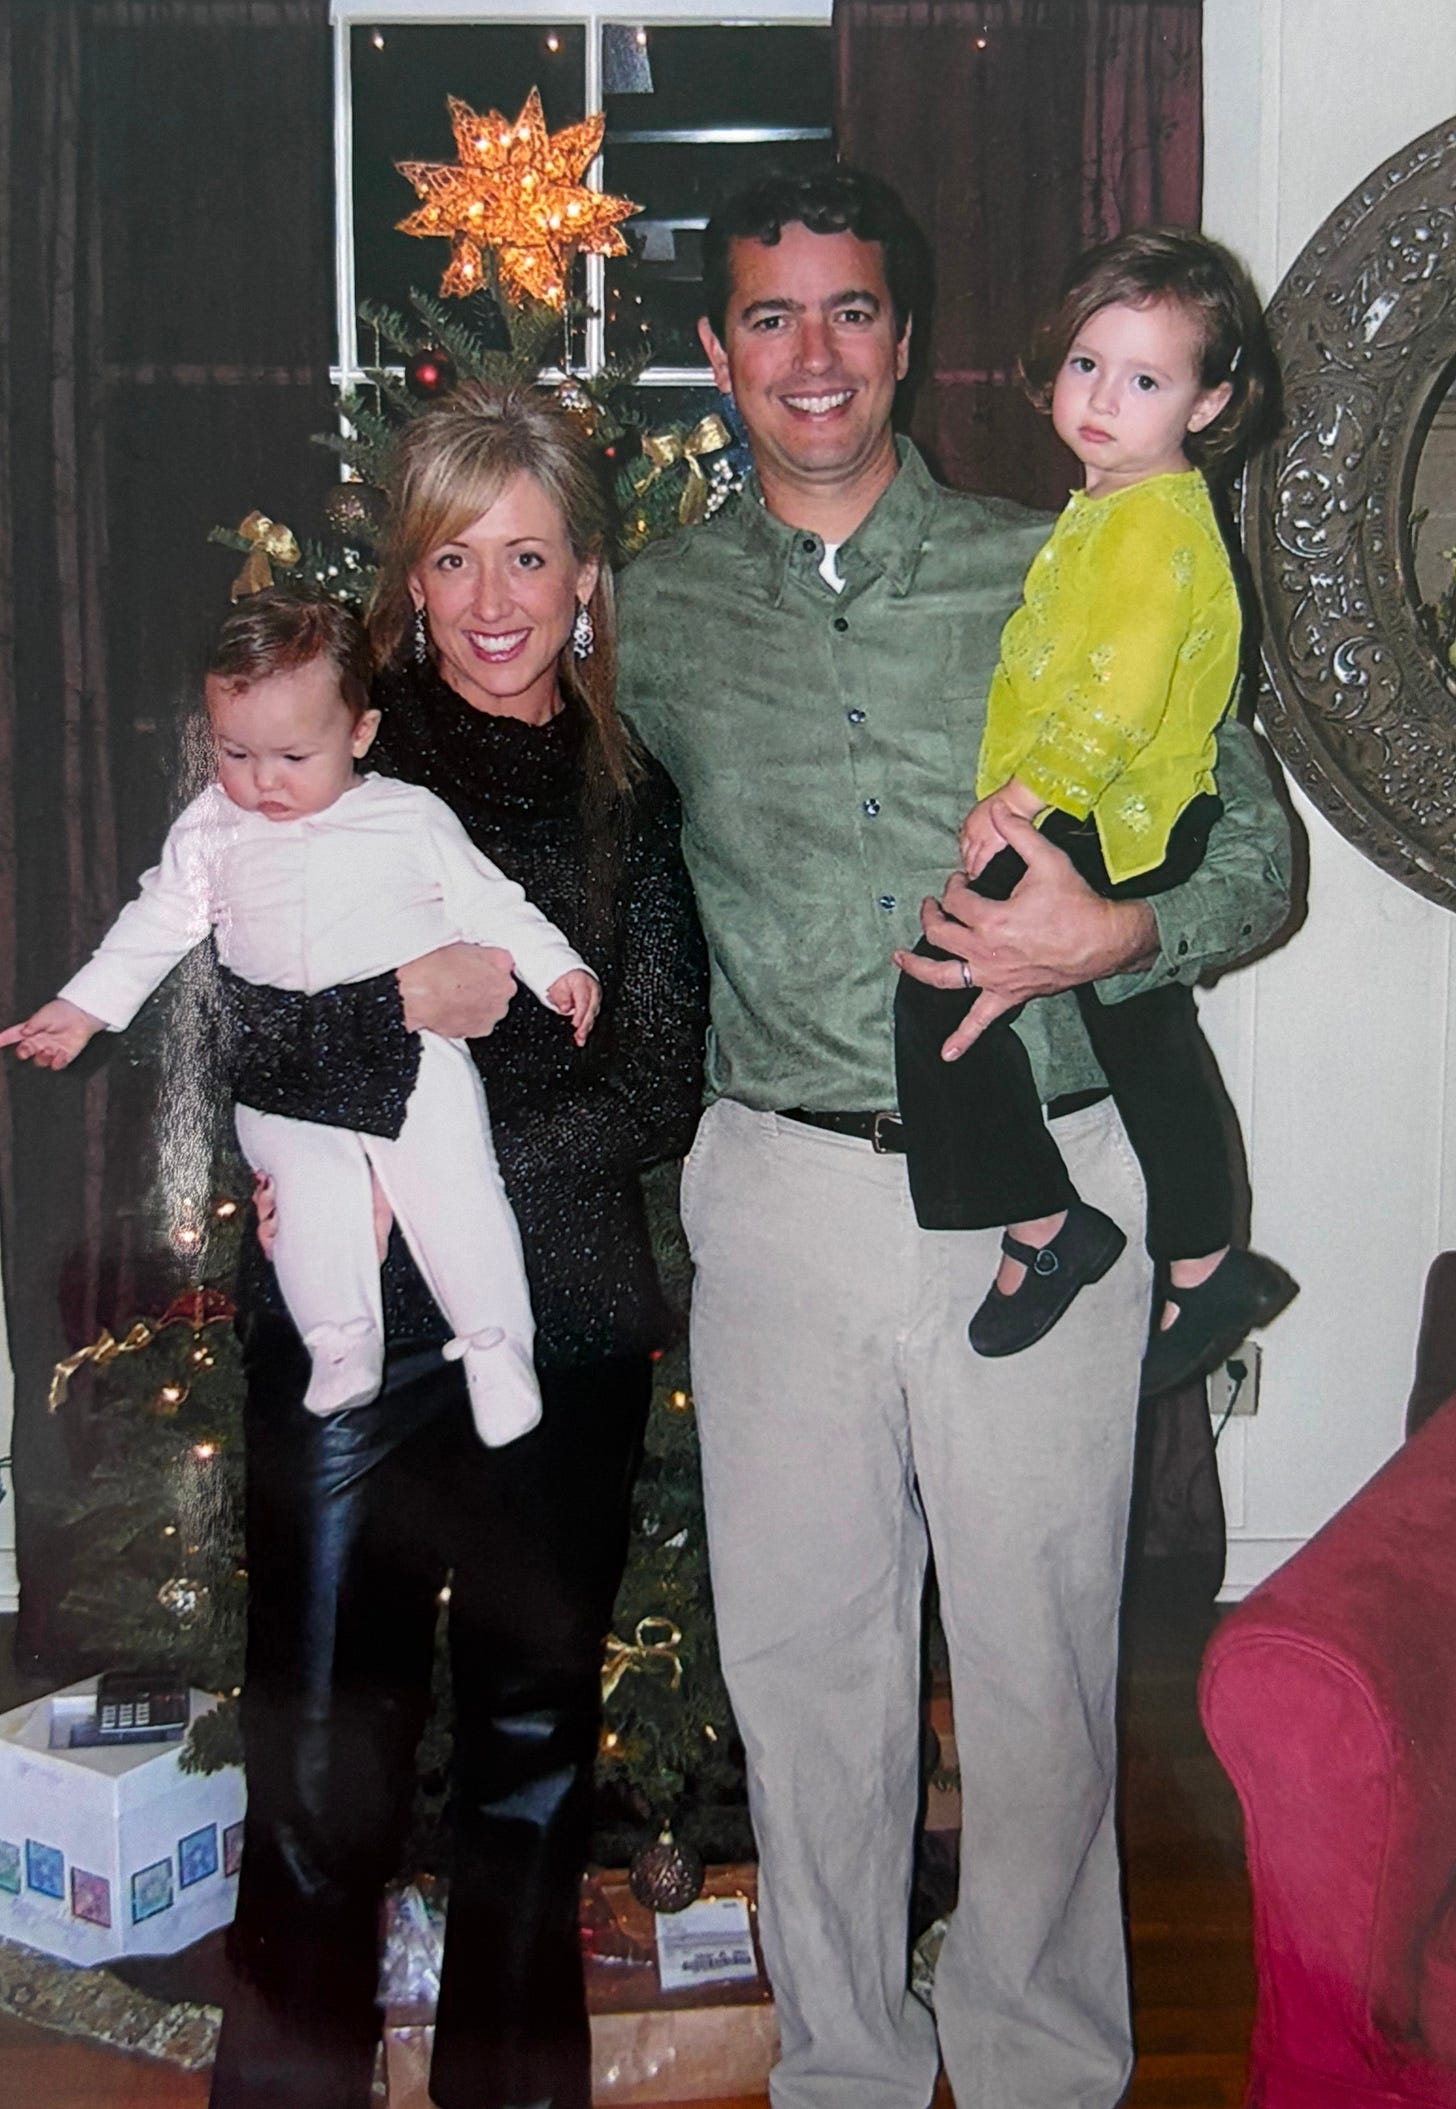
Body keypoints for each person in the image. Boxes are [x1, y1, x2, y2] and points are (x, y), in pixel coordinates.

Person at [617, 168, 1292, 2109]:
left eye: (850, 310)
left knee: (1036, 1670)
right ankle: (841, 2063)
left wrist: (1117, 933)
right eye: (769, 315)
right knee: (805, 1676)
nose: (812, 354)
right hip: (781, 1196)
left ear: (904, 340)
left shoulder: (1064, 553)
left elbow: (1250, 847)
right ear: (717, 349)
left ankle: (1037, 2064)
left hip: (1049, 1179)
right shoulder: (647, 615)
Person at [203, 382, 707, 2109]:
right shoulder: (328, 766)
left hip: (558, 1325)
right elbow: (230, 1032)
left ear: (588, 579)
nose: (494, 601)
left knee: (527, 1763)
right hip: (345, 1327)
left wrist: (430, 1151)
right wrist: (397, 1011)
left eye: (531, 557)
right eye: (453, 559)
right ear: (407, 583)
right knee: (317, 1761)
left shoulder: (625, 799)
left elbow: (654, 1076)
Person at [2, 593, 602, 1446]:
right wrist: (81, 1009)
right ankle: (341, 1342)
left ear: (359, 733)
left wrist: (557, 968)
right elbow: (155, 923)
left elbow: (492, 905)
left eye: (292, 755)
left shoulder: (408, 817)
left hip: (412, 1051)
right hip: (290, 1073)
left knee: (456, 1191)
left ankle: (498, 1347)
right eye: (234, 752)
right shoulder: (213, 827)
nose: (263, 781)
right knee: (311, 1200)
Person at [893, 229, 1296, 1392]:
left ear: (1207, 403)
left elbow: (1115, 696)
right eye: (1086, 365)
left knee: (937, 992)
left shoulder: (1153, 523)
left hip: (1102, 811)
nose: (1103, 401)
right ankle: (1201, 1263)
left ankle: (1046, 1226)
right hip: (1119, 808)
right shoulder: (1119, 509)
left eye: (1145, 380)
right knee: (1145, 1042)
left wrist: (1024, 797)